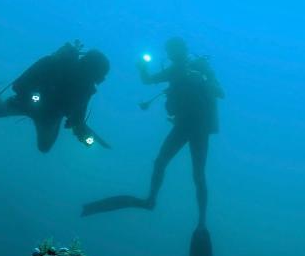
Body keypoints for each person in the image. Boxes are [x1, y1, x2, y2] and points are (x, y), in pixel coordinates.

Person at [81, 37, 223, 226]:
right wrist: (141, 67)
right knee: (160, 162)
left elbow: (221, 93)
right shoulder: (174, 70)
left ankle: (201, 221)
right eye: (170, 51)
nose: (172, 54)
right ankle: (151, 200)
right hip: (182, 125)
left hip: (199, 127)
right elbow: (148, 80)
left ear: (183, 50)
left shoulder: (200, 67)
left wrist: (203, 80)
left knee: (197, 174)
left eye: (175, 50)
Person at [0, 42, 110, 154]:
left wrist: (81, 132)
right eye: (97, 76)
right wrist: (34, 96)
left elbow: (76, 117)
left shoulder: (85, 89)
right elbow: (20, 84)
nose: (96, 81)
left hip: (49, 117)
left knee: (44, 148)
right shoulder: (53, 64)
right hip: (28, 103)